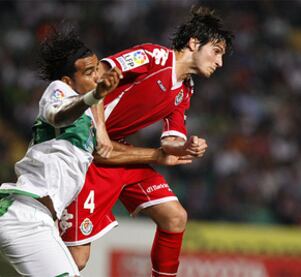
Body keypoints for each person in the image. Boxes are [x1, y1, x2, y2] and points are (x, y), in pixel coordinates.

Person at [59, 6, 234, 277]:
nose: (220, 62)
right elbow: (97, 75)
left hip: (118, 151)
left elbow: (171, 139)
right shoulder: (152, 57)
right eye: (217, 51)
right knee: (77, 259)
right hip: (87, 146)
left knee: (175, 217)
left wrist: (185, 147)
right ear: (194, 43)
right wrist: (101, 131)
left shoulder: (185, 89)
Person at [0, 26, 122, 276]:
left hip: (33, 216)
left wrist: (157, 155)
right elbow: (58, 115)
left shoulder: (87, 114)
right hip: (26, 215)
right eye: (89, 73)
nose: (97, 78)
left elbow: (106, 149)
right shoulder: (59, 89)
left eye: (97, 70)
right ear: (69, 80)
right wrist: (95, 95)